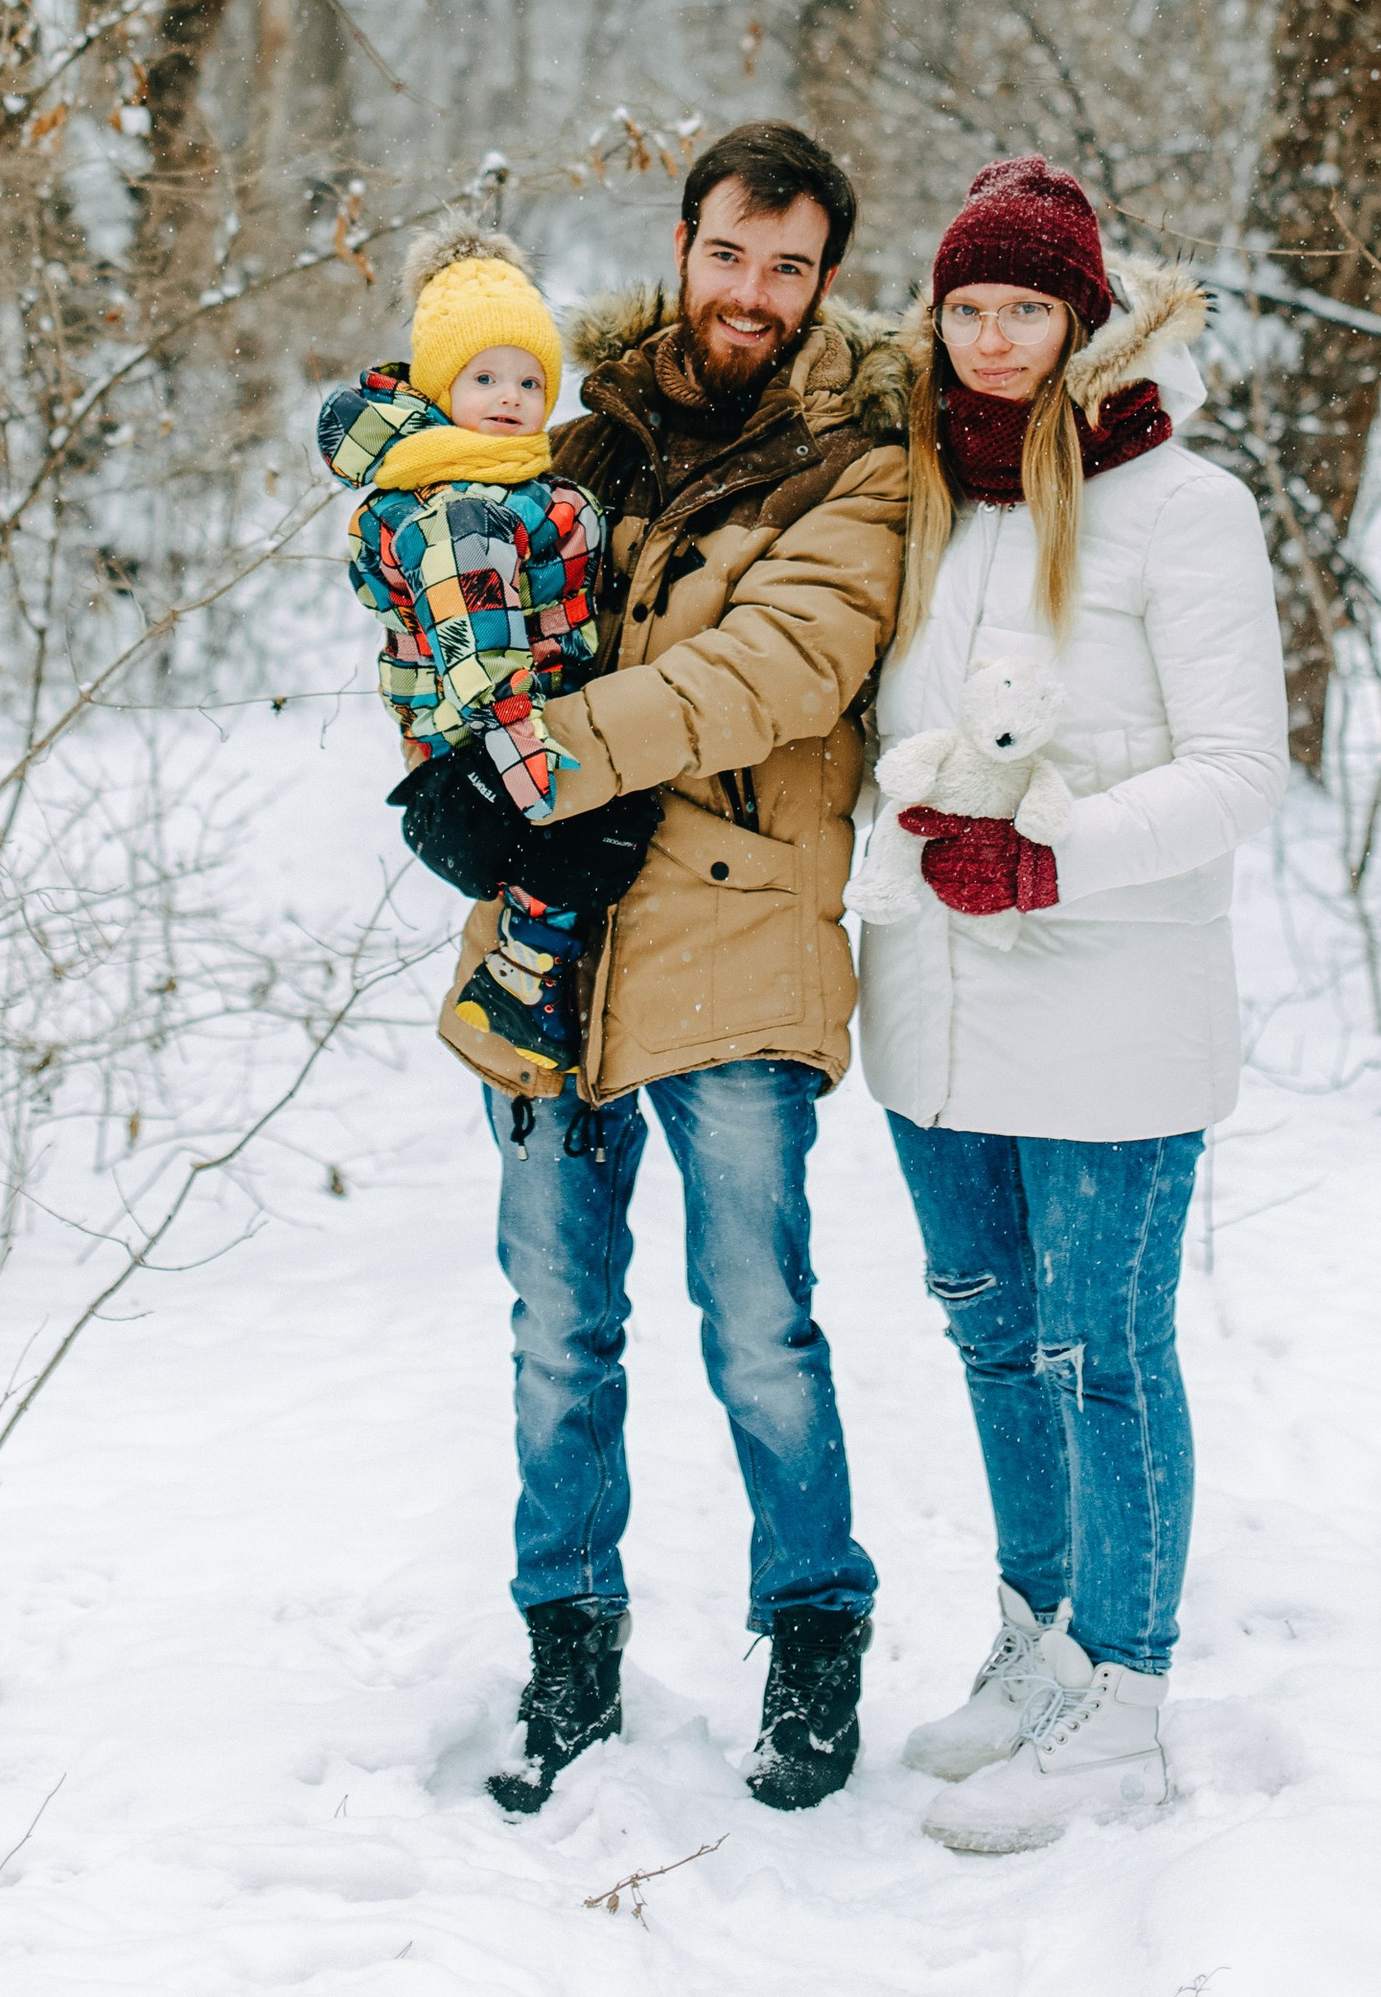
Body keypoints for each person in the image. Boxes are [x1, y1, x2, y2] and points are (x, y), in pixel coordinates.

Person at [438, 123, 907, 1819]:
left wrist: (540, 765)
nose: (754, 295)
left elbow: (778, 667)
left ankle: (813, 1632)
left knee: (759, 1323)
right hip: (556, 944)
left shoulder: (866, 458)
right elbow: (462, 629)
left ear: (825, 282)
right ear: (686, 244)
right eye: (731, 256)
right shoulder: (580, 436)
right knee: (558, 1329)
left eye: (789, 269)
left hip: (738, 936)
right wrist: (449, 776)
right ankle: (567, 1651)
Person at [857, 154, 1285, 1856]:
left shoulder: (1187, 509)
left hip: (1114, 998)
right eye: (966, 305)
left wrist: (1058, 860)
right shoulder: (926, 499)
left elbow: (1243, 770)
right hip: (936, 1009)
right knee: (988, 1333)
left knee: (1103, 1351)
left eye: (1025, 306)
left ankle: (1127, 1694)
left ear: (1084, 316)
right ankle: (1038, 1643)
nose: (992, 337)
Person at [318, 226, 657, 1075]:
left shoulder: (502, 479)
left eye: (530, 380)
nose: (510, 396)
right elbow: (481, 645)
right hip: (484, 738)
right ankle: (517, 975)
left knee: (603, 825)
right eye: (484, 377)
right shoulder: (464, 506)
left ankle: (525, 972)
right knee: (605, 826)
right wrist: (524, 757)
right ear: (440, 388)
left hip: (493, 730)